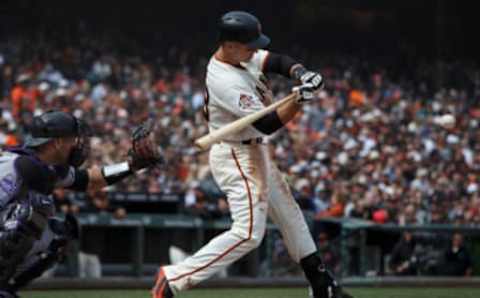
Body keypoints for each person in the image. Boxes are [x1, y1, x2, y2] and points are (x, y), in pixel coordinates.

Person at [152, 11, 352, 298]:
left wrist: (301, 73)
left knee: (290, 213)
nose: (256, 50)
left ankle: (322, 285)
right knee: (248, 233)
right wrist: (299, 100)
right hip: (236, 155)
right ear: (230, 45)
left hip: (254, 150)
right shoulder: (224, 79)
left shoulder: (241, 55)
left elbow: (277, 61)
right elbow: (266, 123)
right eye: (250, 45)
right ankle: (173, 277)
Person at [0, 110, 161, 298]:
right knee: (24, 216)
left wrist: (131, 165)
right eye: (73, 139)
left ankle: (6, 289)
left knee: (59, 232)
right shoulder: (12, 166)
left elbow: (89, 180)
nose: (78, 145)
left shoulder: (46, 168)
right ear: (58, 142)